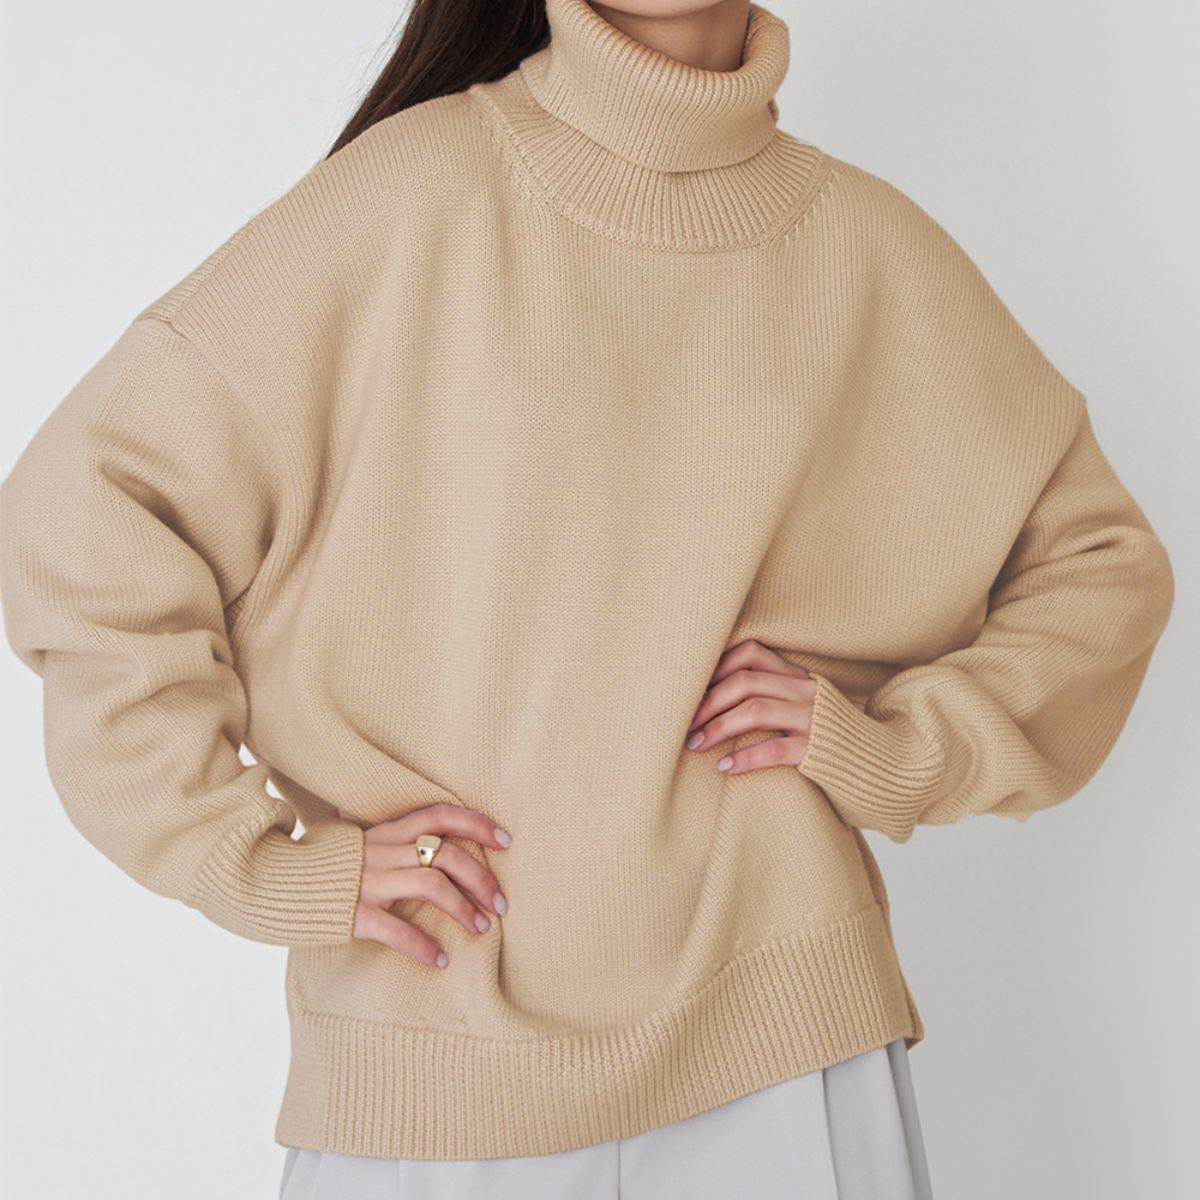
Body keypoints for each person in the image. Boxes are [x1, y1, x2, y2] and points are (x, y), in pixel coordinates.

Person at [0, 1, 1174, 1197]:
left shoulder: (870, 249)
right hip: (432, 1058)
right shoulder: (407, 196)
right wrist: (248, 861)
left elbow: (1101, 566)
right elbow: (85, 512)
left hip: (786, 1050)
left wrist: (898, 752)